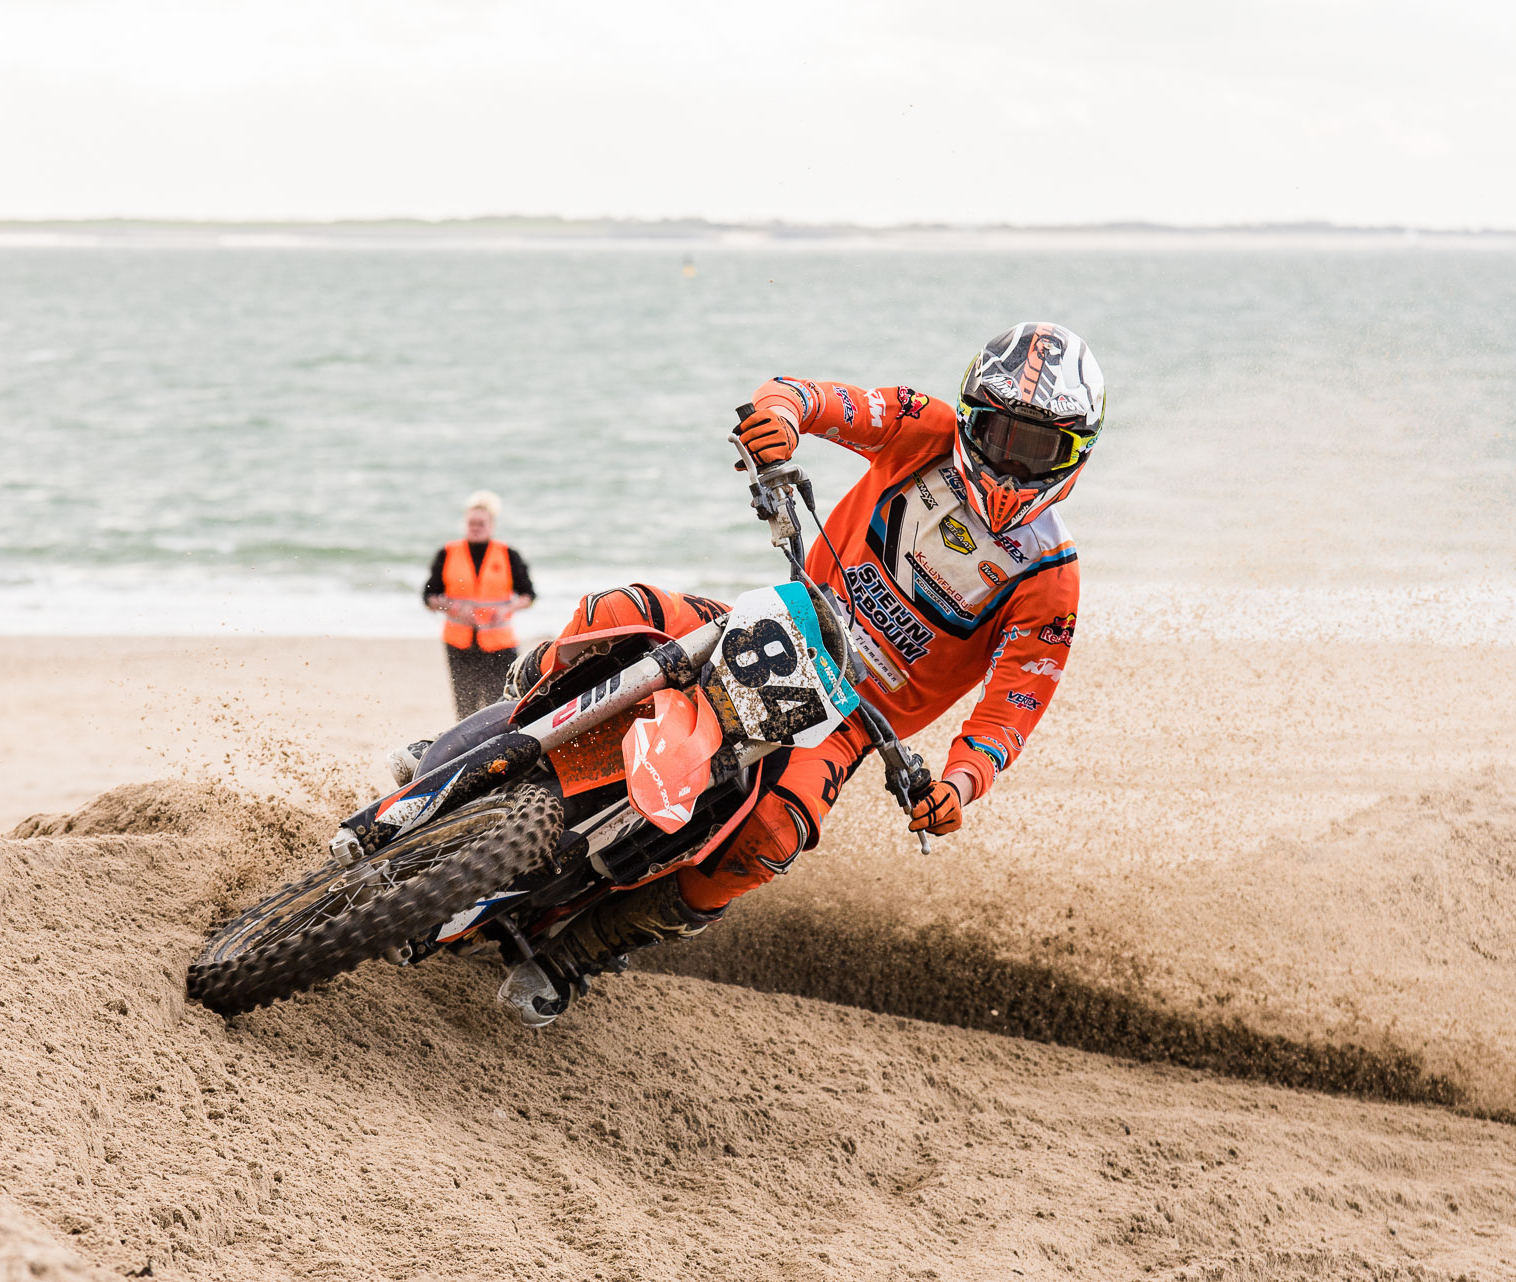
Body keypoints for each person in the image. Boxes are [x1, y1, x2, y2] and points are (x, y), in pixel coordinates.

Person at [502, 322, 1103, 1024]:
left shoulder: (1052, 578)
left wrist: (959, 785)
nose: (1012, 463)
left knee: (774, 834)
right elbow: (810, 396)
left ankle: (584, 951)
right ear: (972, 419)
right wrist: (778, 421)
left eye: (1038, 448)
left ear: (1075, 453)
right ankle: (503, 730)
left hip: (852, 722)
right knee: (619, 612)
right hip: (777, 621)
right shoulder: (924, 426)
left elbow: (1012, 708)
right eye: (1001, 435)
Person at [424, 491, 535, 719]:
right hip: (459, 642)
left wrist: (507, 609)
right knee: (466, 706)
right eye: (471, 523)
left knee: (501, 705)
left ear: (491, 525)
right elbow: (429, 597)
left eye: (480, 523)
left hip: (499, 643)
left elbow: (529, 595)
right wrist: (452, 607)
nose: (475, 527)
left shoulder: (508, 554)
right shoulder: (448, 553)